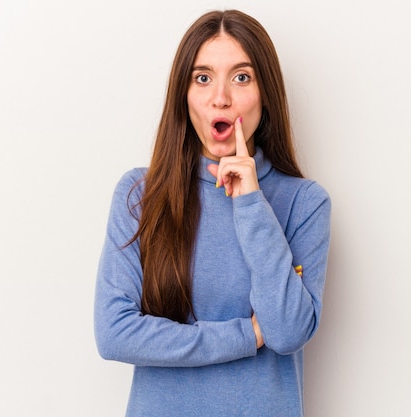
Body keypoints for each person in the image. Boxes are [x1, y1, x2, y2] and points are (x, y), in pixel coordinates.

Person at [94, 9, 331, 417]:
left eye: (242, 77)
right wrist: (246, 335)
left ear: (265, 93)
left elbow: (288, 330)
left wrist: (250, 203)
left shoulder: (304, 204)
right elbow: (115, 333)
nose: (220, 97)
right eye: (202, 78)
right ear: (184, 95)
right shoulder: (139, 194)